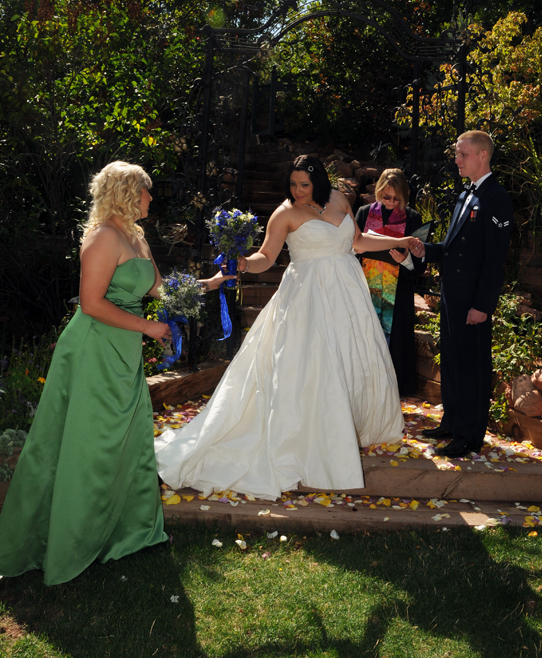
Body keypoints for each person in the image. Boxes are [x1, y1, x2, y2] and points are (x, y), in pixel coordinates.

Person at [0, 160, 229, 586]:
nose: (151, 198)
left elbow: (162, 290)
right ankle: (68, 541)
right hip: (92, 349)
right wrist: (148, 326)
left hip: (121, 350)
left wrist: (214, 283)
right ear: (128, 192)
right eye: (146, 191)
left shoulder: (135, 237)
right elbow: (90, 304)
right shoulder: (103, 238)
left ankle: (127, 533)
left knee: (127, 437)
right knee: (90, 444)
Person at [155, 155, 422, 500]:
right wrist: (243, 263)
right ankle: (307, 440)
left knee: (352, 359)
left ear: (319, 182)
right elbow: (266, 256)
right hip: (306, 297)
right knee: (313, 366)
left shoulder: (340, 200)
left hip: (348, 295)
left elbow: (357, 242)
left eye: (304, 184)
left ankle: (346, 428)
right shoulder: (284, 213)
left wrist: (396, 242)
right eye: (293, 184)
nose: (297, 191)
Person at [410, 131, 513, 458]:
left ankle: (469, 436)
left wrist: (483, 305)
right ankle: (452, 423)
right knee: (453, 363)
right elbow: (453, 250)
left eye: (462, 154)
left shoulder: (496, 198)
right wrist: (423, 249)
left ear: (482, 155)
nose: (456, 159)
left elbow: (495, 259)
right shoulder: (464, 195)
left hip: (472, 302)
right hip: (452, 297)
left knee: (473, 368)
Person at [354, 168, 425, 395]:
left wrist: (405, 260)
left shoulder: (413, 218)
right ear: (379, 192)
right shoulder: (364, 213)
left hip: (398, 291)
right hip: (365, 288)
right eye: (387, 197)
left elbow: (420, 263)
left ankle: (393, 395)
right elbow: (350, 247)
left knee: (397, 345)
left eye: (397, 198)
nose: (392, 202)